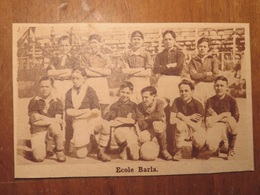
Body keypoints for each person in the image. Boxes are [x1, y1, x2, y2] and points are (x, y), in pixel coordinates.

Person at [64, 67, 111, 161]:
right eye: (73, 78)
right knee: (80, 155)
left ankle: (101, 151)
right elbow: (69, 112)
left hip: (92, 120)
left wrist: (78, 113)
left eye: (77, 78)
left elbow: (96, 110)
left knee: (105, 124)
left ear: (84, 79)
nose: (75, 81)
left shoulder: (90, 91)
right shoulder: (69, 93)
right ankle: (90, 141)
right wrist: (86, 111)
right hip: (78, 123)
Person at [28, 76, 66, 162]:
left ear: (52, 87)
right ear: (39, 87)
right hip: (38, 132)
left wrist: (41, 118)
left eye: (47, 86)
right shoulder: (34, 101)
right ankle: (42, 146)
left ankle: (59, 150)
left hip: (50, 133)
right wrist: (51, 120)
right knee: (39, 158)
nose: (44, 89)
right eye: (42, 87)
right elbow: (34, 122)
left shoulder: (57, 102)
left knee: (56, 126)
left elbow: (57, 122)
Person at [170, 79, 206, 161]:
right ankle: (178, 150)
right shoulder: (176, 101)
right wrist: (189, 118)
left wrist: (182, 117)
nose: (183, 93)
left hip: (194, 129)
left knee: (200, 139)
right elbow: (171, 120)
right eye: (181, 91)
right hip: (182, 129)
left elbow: (197, 127)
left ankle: (196, 147)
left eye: (186, 91)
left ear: (192, 91)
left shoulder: (198, 104)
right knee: (180, 125)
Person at [205, 76, 240, 160]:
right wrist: (224, 114)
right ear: (214, 87)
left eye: (222, 85)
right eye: (217, 85)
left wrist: (216, 117)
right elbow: (208, 119)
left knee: (232, 122)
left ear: (226, 87)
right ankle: (219, 146)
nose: (219, 88)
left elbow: (236, 118)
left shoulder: (232, 100)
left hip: (226, 127)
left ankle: (230, 149)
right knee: (211, 148)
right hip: (215, 126)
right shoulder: (210, 100)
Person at [103, 81, 139, 160]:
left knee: (135, 157)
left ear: (131, 93)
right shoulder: (115, 105)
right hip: (119, 130)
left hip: (131, 130)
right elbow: (111, 121)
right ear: (119, 91)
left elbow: (132, 121)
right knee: (119, 133)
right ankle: (124, 149)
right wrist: (126, 120)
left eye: (127, 93)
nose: (125, 95)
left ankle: (130, 148)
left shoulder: (134, 105)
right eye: (123, 92)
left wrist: (119, 119)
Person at [136, 86, 172, 160]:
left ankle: (164, 150)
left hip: (160, 127)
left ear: (154, 96)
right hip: (148, 128)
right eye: (142, 97)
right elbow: (141, 124)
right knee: (142, 137)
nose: (144, 100)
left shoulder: (159, 103)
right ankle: (146, 149)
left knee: (157, 124)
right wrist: (150, 121)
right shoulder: (139, 106)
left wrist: (148, 118)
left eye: (146, 97)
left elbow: (159, 116)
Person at [81, 34, 112, 114]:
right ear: (89, 44)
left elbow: (108, 72)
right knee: (91, 107)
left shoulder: (105, 57)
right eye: (91, 43)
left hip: (102, 84)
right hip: (90, 83)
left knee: (103, 107)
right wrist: (102, 72)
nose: (93, 45)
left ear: (100, 44)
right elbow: (85, 72)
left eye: (95, 42)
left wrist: (92, 69)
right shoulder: (85, 57)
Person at [154, 30, 185, 106]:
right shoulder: (159, 55)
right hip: (162, 80)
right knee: (162, 103)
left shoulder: (180, 54)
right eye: (165, 39)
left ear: (174, 40)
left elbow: (178, 69)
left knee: (174, 104)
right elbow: (156, 70)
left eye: (170, 39)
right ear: (163, 41)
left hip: (175, 80)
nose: (168, 41)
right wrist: (169, 66)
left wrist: (163, 68)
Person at [121, 31, 153, 103]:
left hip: (143, 82)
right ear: (131, 41)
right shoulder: (126, 54)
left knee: (143, 102)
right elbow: (124, 71)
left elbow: (148, 72)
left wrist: (131, 71)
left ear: (142, 41)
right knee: (130, 103)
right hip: (130, 82)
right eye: (134, 39)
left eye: (139, 39)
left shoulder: (146, 54)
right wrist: (141, 69)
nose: (136, 41)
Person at [47, 35, 80, 101]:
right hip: (56, 84)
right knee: (56, 103)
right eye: (61, 45)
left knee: (69, 103)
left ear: (70, 46)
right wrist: (66, 71)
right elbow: (49, 73)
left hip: (69, 84)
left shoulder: (74, 59)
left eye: (66, 45)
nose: (64, 48)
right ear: (58, 46)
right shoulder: (54, 58)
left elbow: (73, 73)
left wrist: (56, 73)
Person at [188, 37, 219, 105]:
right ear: (197, 47)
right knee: (198, 108)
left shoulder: (212, 60)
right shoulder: (193, 61)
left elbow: (215, 76)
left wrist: (199, 75)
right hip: (197, 87)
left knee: (210, 108)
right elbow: (193, 76)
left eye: (205, 46)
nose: (202, 48)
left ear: (208, 48)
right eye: (200, 46)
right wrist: (207, 74)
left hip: (210, 87)